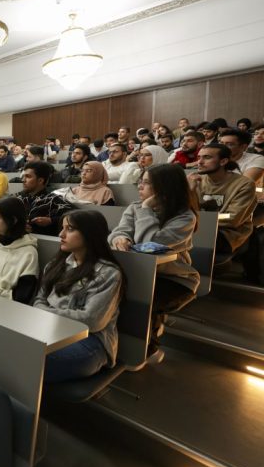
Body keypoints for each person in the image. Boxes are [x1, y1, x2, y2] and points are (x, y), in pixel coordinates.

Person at [109, 164, 200, 363]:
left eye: (147, 183)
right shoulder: (135, 207)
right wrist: (119, 239)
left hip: (174, 279)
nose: (140, 186)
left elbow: (150, 246)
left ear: (165, 187)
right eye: (140, 181)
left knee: (142, 303)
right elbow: (119, 230)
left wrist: (146, 210)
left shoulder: (185, 217)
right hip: (138, 272)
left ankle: (148, 349)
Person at [33, 210, 125, 383]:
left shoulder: (108, 273)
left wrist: (47, 313)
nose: (61, 234)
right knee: (12, 347)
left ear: (90, 234)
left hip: (90, 343)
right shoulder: (55, 265)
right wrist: (47, 313)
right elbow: (38, 301)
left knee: (29, 359)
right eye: (62, 228)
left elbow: (91, 320)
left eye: (70, 229)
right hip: (51, 332)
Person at [188, 144, 256, 255]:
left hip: (228, 233)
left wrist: (196, 220)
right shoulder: (195, 180)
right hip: (198, 227)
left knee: (191, 239)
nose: (199, 162)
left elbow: (233, 218)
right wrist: (189, 191)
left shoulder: (244, 184)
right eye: (199, 157)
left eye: (207, 157)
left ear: (223, 161)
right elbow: (185, 212)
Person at [14, 162, 75, 236]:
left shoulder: (53, 200)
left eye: (28, 176)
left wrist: (51, 221)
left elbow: (75, 217)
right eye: (23, 176)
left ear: (40, 180)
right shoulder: (15, 198)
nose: (23, 180)